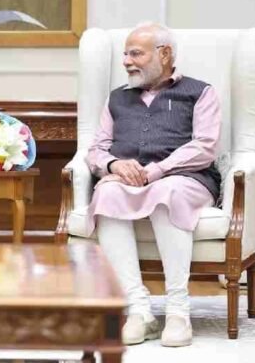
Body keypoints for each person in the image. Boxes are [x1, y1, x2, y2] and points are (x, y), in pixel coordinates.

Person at [86, 23, 221, 347]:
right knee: (106, 191)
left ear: (164, 54)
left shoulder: (201, 92)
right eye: (125, 54)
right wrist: (113, 164)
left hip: (187, 179)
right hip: (127, 180)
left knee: (165, 191)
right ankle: (139, 311)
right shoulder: (117, 98)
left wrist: (157, 171)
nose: (126, 61)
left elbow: (205, 146)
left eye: (136, 54)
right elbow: (97, 148)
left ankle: (178, 312)